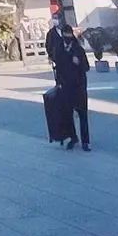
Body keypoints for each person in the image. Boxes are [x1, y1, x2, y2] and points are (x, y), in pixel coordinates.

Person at [46, 10, 91, 149]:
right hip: (65, 87)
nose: (67, 39)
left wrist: (79, 63)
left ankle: (86, 141)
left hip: (79, 87)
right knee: (67, 114)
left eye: (69, 36)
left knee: (83, 114)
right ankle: (73, 137)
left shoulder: (78, 50)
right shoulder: (59, 49)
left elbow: (87, 67)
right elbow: (56, 65)